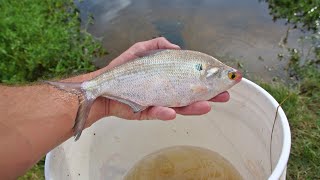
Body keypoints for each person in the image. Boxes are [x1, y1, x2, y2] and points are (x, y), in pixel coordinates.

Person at [0, 37, 230, 179]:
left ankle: (90, 90)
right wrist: (97, 86)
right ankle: (89, 90)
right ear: (213, 74)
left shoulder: (206, 75)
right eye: (230, 76)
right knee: (90, 89)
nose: (234, 78)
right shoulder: (204, 72)